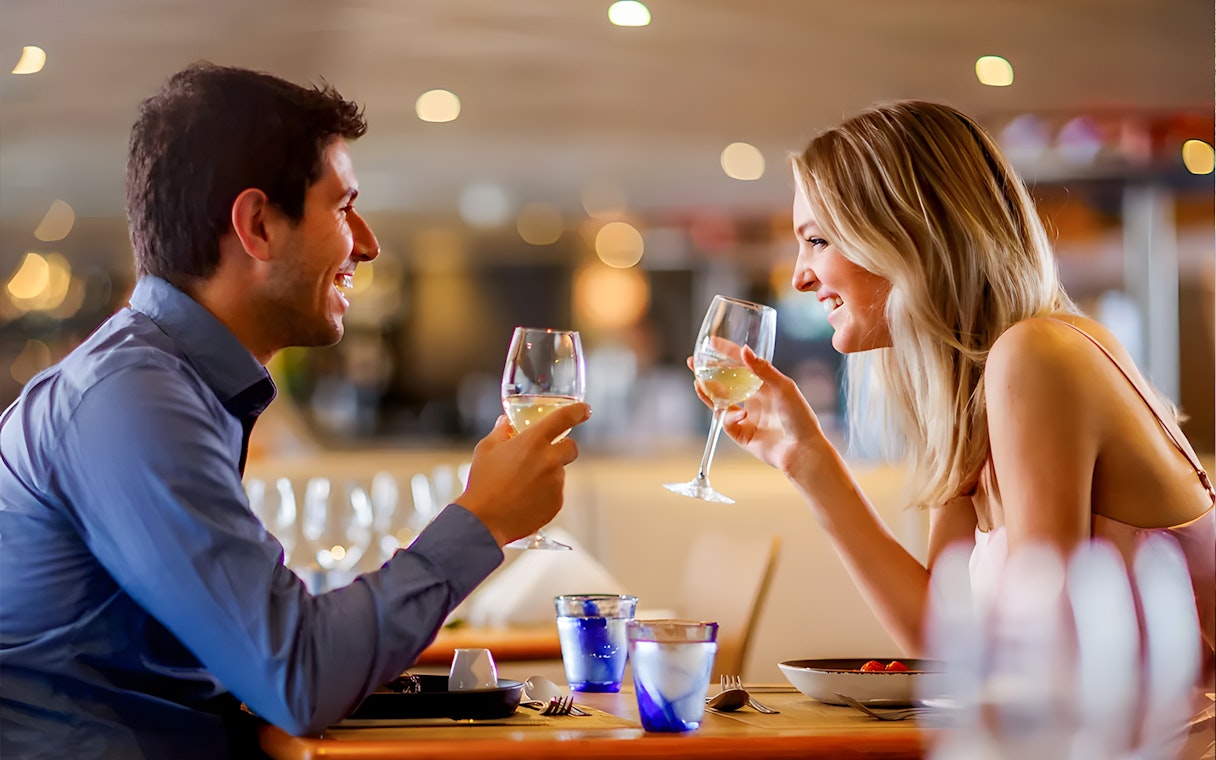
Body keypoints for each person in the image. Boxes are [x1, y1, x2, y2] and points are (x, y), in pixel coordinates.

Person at [0, 62, 590, 759]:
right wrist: (482, 518)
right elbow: (299, 675)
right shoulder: (130, 399)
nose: (366, 244)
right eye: (343, 208)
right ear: (256, 225)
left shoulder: (165, 383)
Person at [697, 100, 1213, 751]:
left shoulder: (1037, 355)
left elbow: (1034, 664)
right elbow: (946, 645)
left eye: (817, 238)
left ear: (904, 231)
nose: (799, 275)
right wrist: (810, 464)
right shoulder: (981, 392)